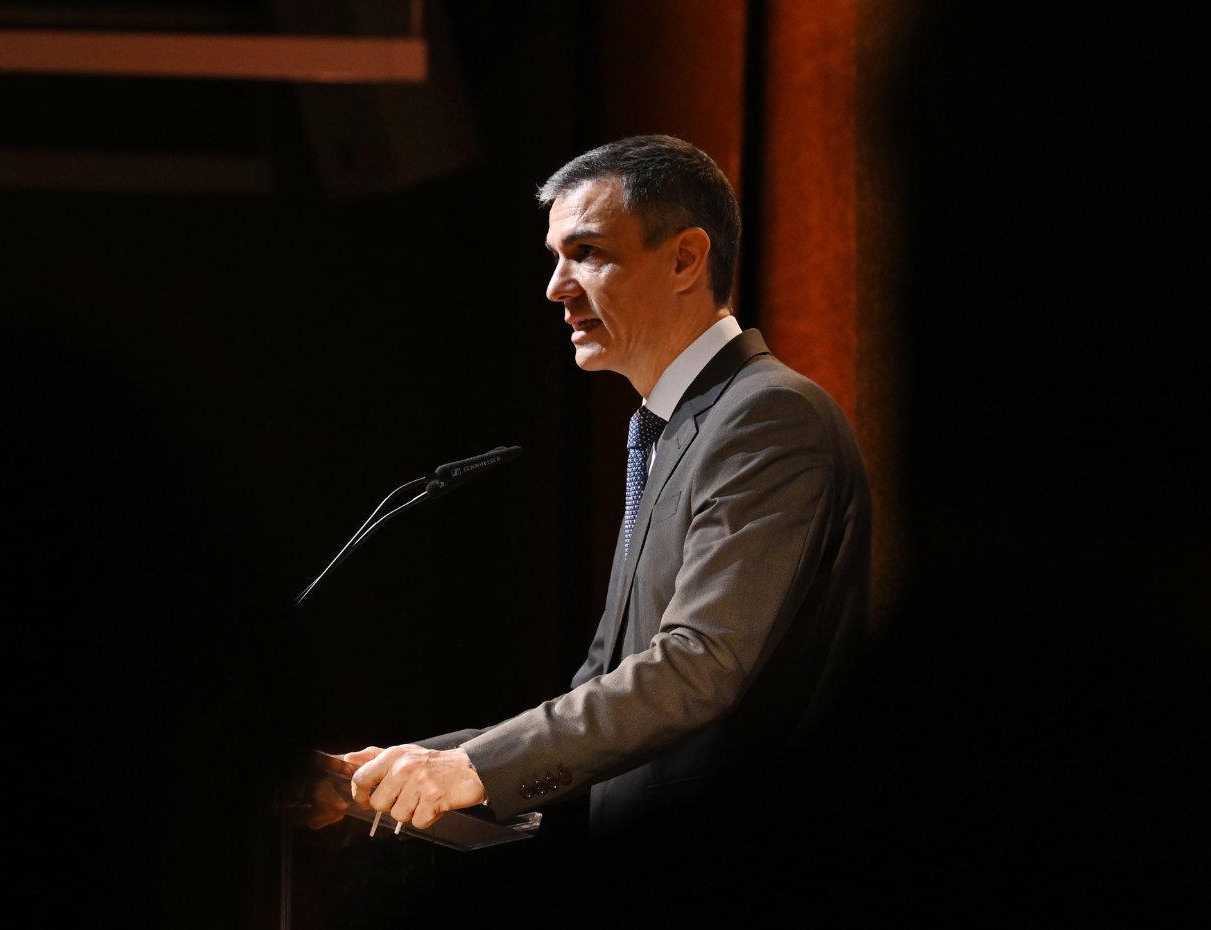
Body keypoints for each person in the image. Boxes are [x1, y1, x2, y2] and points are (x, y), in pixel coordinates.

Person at [306, 135, 872, 850]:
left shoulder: (768, 416)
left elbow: (699, 663)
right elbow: (600, 691)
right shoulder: (669, 429)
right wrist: (391, 770)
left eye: (588, 253)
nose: (557, 286)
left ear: (685, 258)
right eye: (556, 257)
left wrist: (471, 769)